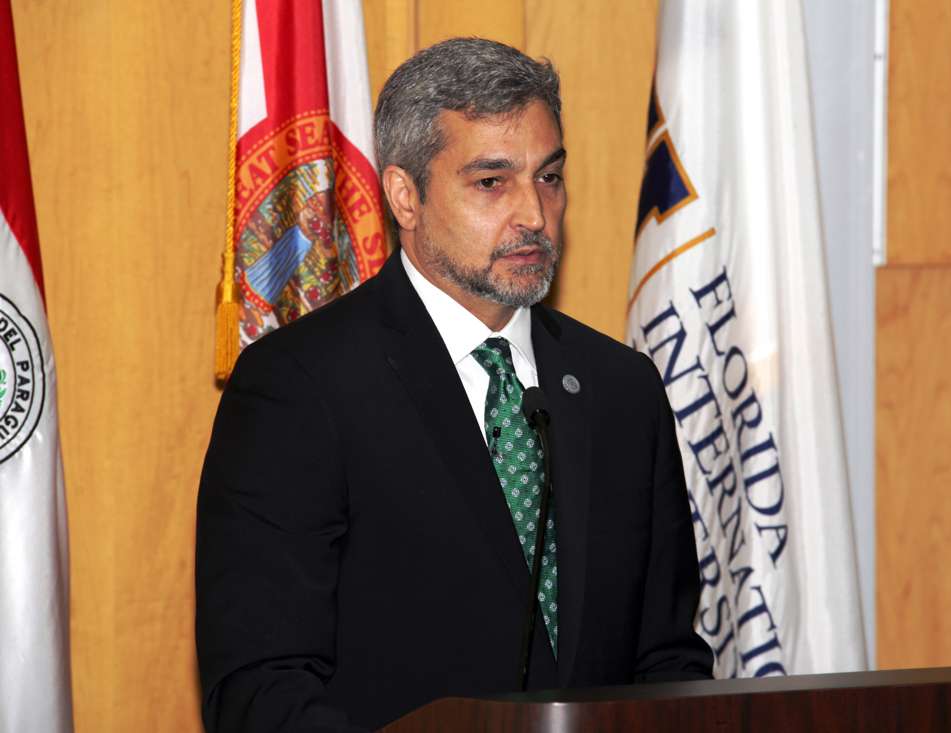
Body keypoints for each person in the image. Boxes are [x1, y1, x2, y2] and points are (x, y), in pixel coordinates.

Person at [195, 37, 713, 733]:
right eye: (492, 182)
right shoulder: (299, 390)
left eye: (549, 177)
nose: (534, 214)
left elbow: (668, 661)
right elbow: (262, 689)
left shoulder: (622, 389)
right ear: (405, 196)